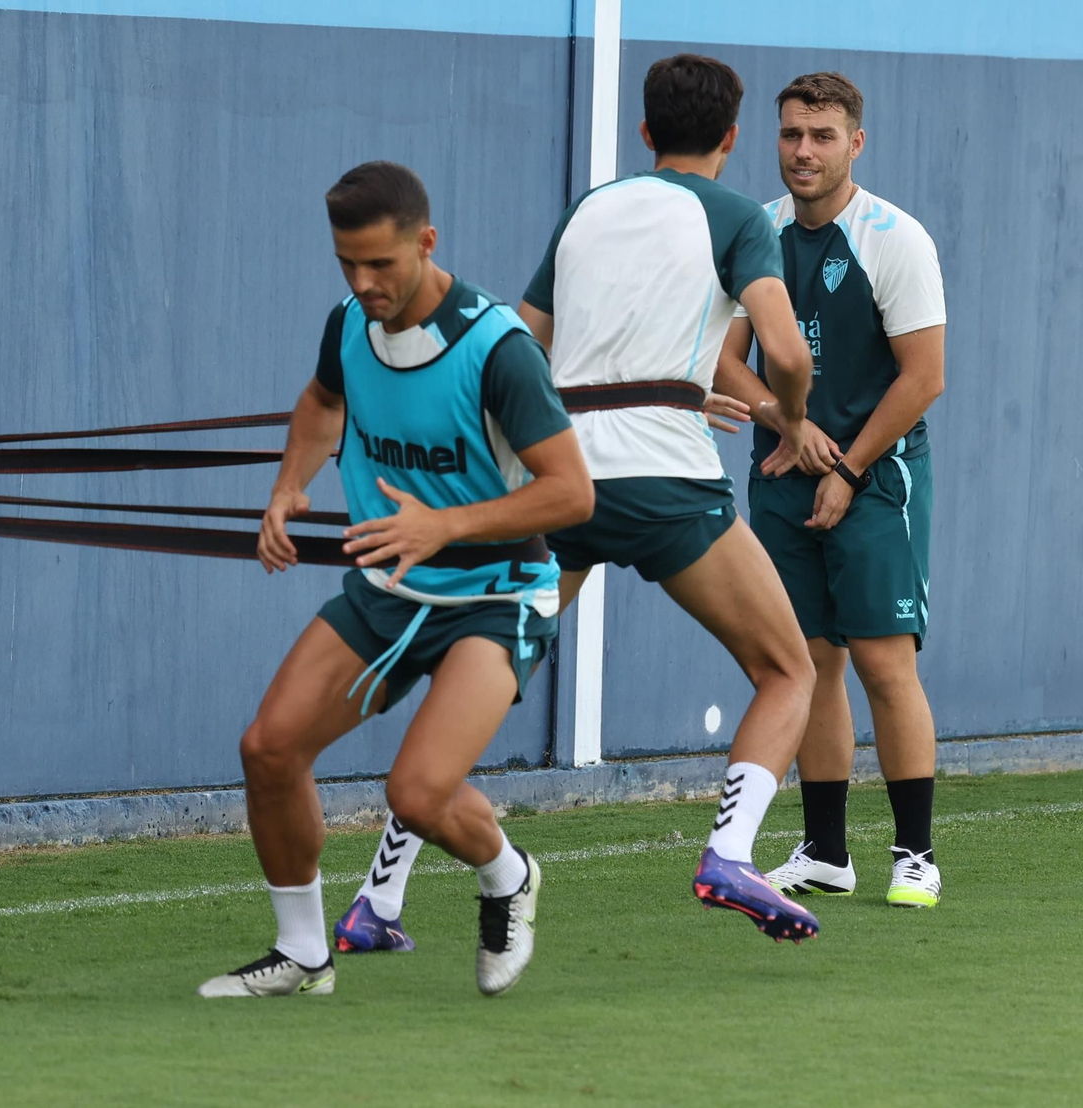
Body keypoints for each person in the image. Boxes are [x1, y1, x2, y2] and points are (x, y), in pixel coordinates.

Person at [335, 56, 828, 953]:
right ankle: (729, 852)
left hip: (558, 482)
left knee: (468, 687)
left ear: (644, 134)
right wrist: (788, 421)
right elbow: (787, 356)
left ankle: (380, 899)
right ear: (733, 137)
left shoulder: (589, 208)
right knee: (787, 670)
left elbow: (521, 345)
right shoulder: (739, 218)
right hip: (663, 483)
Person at [198, 160, 595, 998]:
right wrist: (287, 486)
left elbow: (570, 491)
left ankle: (509, 877)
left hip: (494, 599)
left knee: (416, 795)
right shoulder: (348, 324)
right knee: (269, 750)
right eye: (347, 263)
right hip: (388, 593)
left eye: (381, 263)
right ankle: (304, 955)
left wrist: (440, 525)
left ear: (427, 241)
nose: (363, 282)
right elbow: (319, 401)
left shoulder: (498, 351)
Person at [714, 72, 947, 908]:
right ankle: (824, 853)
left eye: (821, 136)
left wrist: (847, 469)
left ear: (856, 143)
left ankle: (915, 855)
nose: (803, 152)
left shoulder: (895, 238)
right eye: (790, 135)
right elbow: (722, 358)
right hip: (783, 475)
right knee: (807, 662)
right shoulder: (756, 231)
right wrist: (789, 422)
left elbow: (924, 379)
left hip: (878, 479)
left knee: (885, 665)